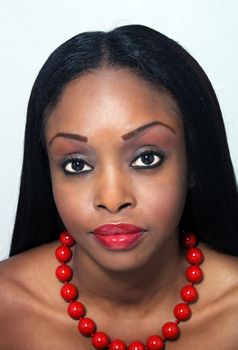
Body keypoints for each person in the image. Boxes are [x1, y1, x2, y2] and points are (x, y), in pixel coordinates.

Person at [0, 24, 237, 350]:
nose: (112, 199)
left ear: (193, 163)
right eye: (77, 165)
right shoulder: (6, 306)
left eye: (147, 158)